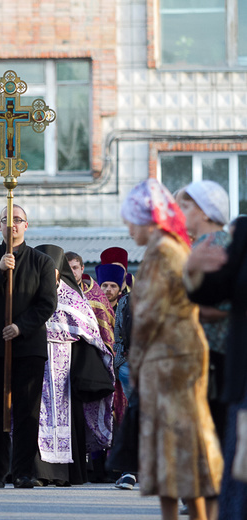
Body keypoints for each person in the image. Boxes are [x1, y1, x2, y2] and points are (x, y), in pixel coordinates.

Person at [121, 179, 222, 520]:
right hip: (172, 357)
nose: (128, 229)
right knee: (174, 446)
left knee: (178, 447)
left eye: (131, 221)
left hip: (170, 360)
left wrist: (135, 362)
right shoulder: (169, 246)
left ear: (148, 220)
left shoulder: (164, 250)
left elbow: (147, 313)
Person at [0, 205, 57, 489]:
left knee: (26, 410)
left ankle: (22, 471)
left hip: (27, 345)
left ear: (26, 226)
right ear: (0, 226)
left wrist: (21, 326)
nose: (12, 225)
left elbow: (47, 304)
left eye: (17, 220)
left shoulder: (42, 262)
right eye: (7, 220)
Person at [33, 244, 114, 487]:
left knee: (68, 417)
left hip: (67, 369)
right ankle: (38, 472)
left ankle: (68, 473)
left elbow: (92, 334)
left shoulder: (74, 300)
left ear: (59, 271)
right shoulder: (26, 295)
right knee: (35, 417)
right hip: (35, 366)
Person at [185, 215, 247, 520]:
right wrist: (193, 269)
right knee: (241, 469)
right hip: (244, 378)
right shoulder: (244, 233)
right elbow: (210, 294)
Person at [177, 180, 231, 442]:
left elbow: (214, 306)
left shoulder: (211, 246)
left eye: (186, 206)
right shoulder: (209, 244)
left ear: (206, 212)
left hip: (212, 354)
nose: (181, 212)